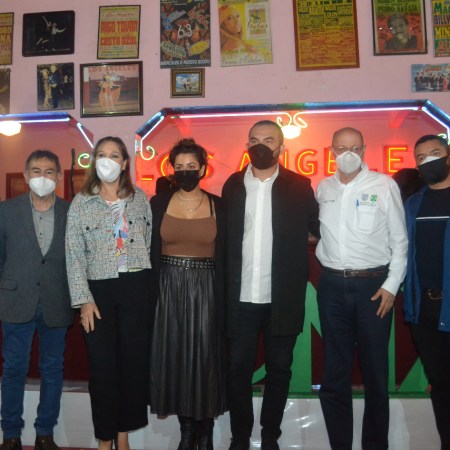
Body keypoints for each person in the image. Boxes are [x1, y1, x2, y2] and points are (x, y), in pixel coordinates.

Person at [222, 120, 320, 450]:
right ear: (246, 145)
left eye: (268, 140)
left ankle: (269, 436)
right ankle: (239, 437)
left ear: (281, 147)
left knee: (279, 369)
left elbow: (320, 228)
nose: (260, 145)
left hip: (283, 296)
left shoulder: (300, 186)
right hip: (240, 297)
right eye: (254, 140)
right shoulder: (233, 185)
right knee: (237, 370)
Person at [315, 127, 408, 450]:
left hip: (374, 288)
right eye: (342, 147)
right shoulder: (323, 188)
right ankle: (339, 444)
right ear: (331, 151)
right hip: (331, 285)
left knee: (375, 374)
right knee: (334, 373)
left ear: (364, 150)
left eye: (354, 147)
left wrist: (392, 285)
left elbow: (400, 241)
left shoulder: (384, 185)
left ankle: (375, 445)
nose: (348, 153)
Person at [65, 136, 153, 450]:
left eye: (114, 155)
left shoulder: (140, 198)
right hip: (98, 292)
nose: (107, 160)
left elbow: (148, 243)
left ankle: (123, 436)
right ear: (93, 160)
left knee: (132, 366)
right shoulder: (81, 202)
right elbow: (73, 255)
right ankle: (105, 438)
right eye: (101, 154)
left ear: (125, 162)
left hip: (136, 287)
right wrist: (83, 300)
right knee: (102, 368)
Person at [150, 138, 226, 450]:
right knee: (176, 359)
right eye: (179, 166)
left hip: (207, 288)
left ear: (203, 169)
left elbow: (229, 254)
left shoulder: (219, 205)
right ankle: (186, 432)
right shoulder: (158, 204)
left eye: (191, 166)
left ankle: (205, 433)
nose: (185, 171)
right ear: (171, 170)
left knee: (206, 360)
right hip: (167, 289)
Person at [0, 150, 73, 450]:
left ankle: (45, 433)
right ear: (26, 175)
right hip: (16, 299)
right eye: (36, 171)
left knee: (52, 370)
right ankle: (10, 434)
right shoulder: (6, 211)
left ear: (59, 176)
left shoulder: (71, 212)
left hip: (57, 300)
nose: (42, 177)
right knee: (13, 368)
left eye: (49, 171)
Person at [403, 134, 450, 450]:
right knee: (442, 387)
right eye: (421, 157)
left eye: (435, 153)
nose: (428, 160)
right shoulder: (413, 203)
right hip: (425, 311)